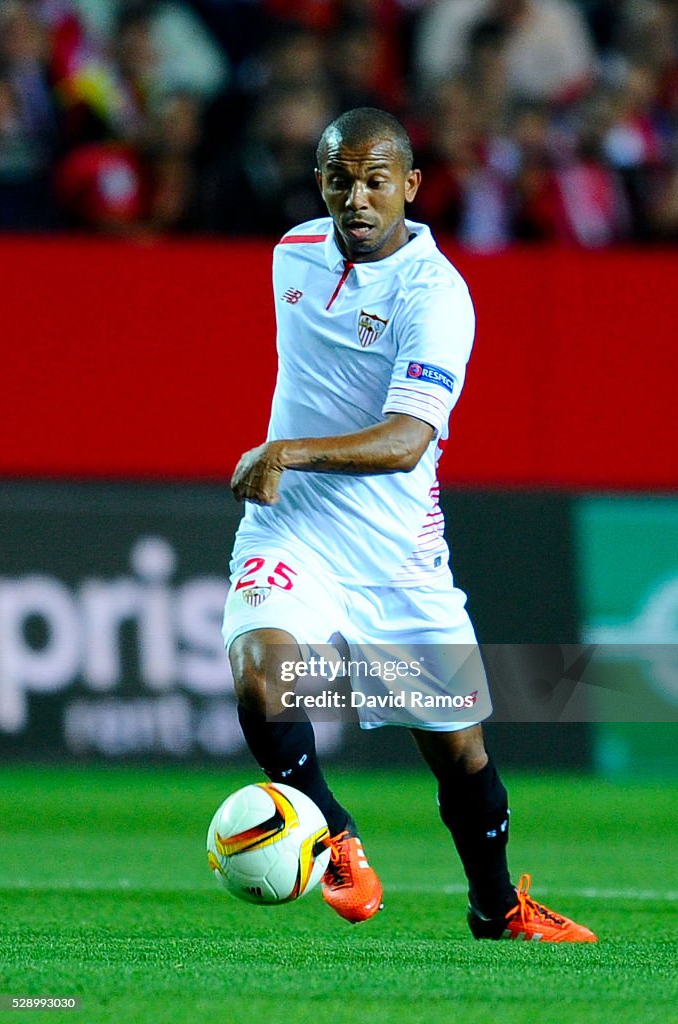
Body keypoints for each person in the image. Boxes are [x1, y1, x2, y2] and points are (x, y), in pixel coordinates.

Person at [222, 106, 597, 942]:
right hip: (296, 533)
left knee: (459, 754)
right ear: (319, 183)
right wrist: (292, 466)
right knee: (261, 676)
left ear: (410, 188)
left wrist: (289, 449)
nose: (355, 198)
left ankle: (497, 908)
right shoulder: (290, 254)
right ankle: (332, 831)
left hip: (398, 558)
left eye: (374, 181)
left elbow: (406, 442)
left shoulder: (438, 297)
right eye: (337, 180)